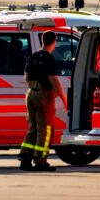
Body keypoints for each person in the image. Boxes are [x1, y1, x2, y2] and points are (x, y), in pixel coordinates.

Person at [18, 31, 64, 172]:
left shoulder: (32, 57)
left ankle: (25, 158)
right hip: (43, 95)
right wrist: (63, 97)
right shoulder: (49, 58)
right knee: (45, 129)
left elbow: (26, 78)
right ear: (54, 42)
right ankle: (40, 160)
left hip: (30, 93)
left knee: (32, 128)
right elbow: (54, 81)